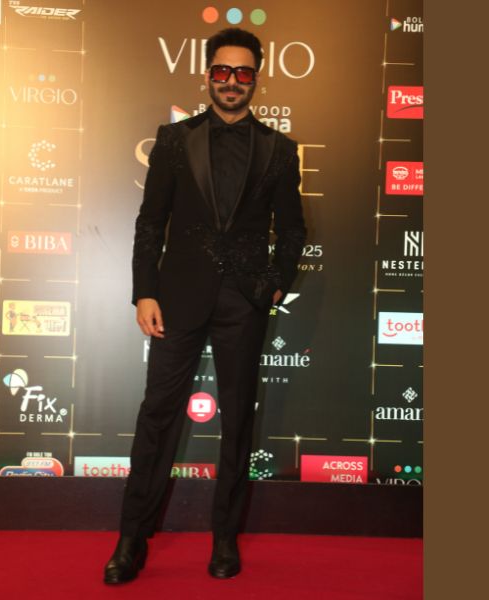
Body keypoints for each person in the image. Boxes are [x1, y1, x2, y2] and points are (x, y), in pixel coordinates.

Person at [103, 27, 306, 584]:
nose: (231, 81)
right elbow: (151, 223)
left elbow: (293, 230)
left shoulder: (280, 150)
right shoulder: (173, 140)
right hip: (177, 298)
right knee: (157, 414)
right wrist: (145, 291)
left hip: (245, 301)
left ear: (256, 79)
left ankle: (225, 538)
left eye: (243, 72)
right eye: (222, 71)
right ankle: (131, 539)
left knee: (238, 420)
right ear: (207, 75)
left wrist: (274, 282)